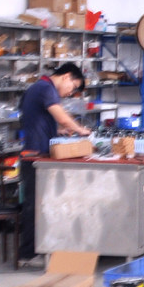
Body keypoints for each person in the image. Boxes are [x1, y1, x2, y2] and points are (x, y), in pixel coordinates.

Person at [18, 63, 92, 259]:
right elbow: (63, 118)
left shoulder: (37, 88)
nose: (70, 93)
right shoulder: (46, 88)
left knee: (41, 205)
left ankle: (43, 250)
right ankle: (28, 255)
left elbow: (33, 119)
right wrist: (81, 130)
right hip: (35, 157)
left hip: (38, 154)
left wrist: (57, 131)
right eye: (73, 87)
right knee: (36, 206)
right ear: (66, 76)